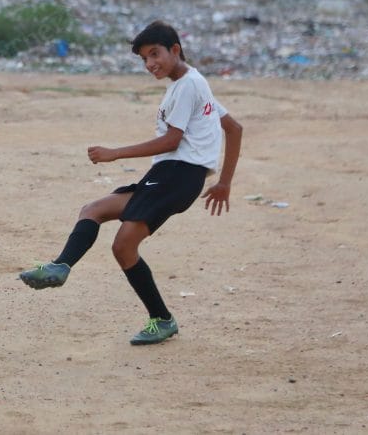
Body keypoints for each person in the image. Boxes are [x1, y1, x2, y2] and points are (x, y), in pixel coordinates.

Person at [18, 20, 243, 345]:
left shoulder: (189, 85)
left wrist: (114, 154)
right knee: (95, 212)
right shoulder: (193, 84)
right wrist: (224, 183)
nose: (151, 64)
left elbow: (171, 141)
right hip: (168, 176)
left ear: (175, 50)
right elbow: (234, 128)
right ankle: (61, 266)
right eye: (144, 59)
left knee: (123, 244)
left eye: (155, 54)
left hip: (178, 175)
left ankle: (160, 319)